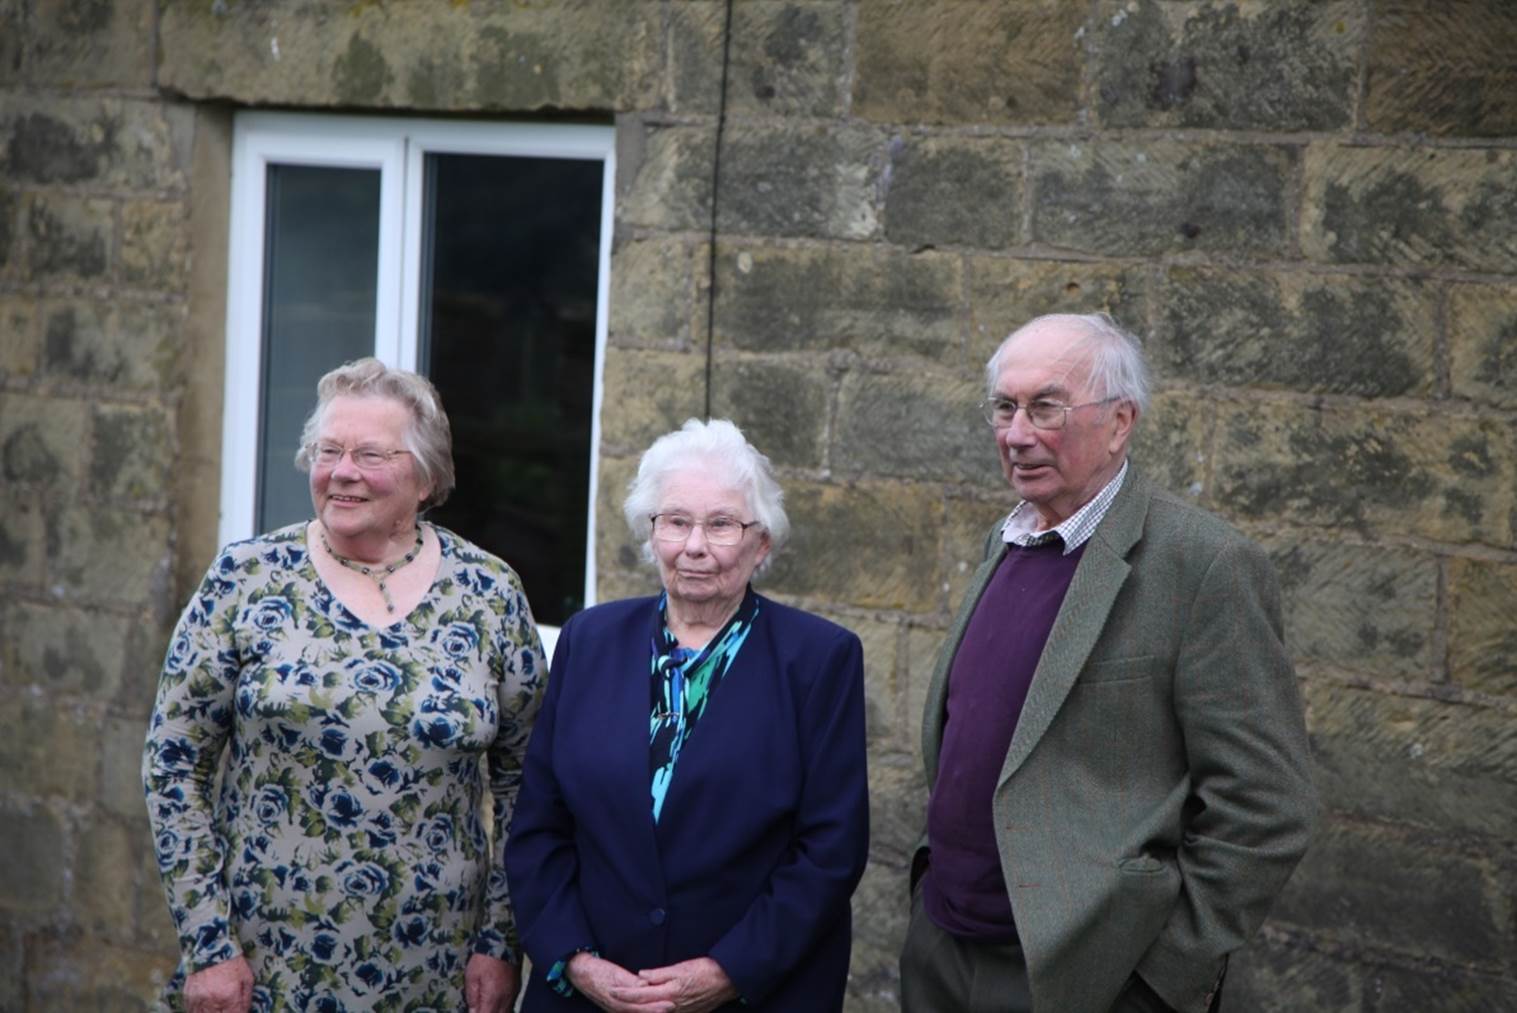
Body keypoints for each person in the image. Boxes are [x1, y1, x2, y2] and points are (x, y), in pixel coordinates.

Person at [899, 313, 1316, 1013]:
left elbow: (1268, 805)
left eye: (1044, 407)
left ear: (1119, 422)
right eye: (1003, 407)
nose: (1016, 434)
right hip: (943, 945)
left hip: (1082, 974)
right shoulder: (1005, 541)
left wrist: (1160, 979)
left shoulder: (1201, 563)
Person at [143, 358, 546, 1013]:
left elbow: (528, 782)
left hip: (437, 969)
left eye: (369, 454)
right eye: (327, 451)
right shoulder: (246, 578)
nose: (342, 471)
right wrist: (208, 941)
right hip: (264, 964)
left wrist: (501, 941)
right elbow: (172, 763)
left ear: (425, 475)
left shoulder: (488, 592)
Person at [505, 418, 869, 1012]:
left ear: (762, 543)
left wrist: (728, 970)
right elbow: (539, 828)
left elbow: (831, 850)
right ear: (651, 534)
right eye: (675, 522)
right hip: (588, 993)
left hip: (750, 993)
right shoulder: (588, 640)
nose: (695, 546)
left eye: (722, 524)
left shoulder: (819, 659)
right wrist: (574, 960)